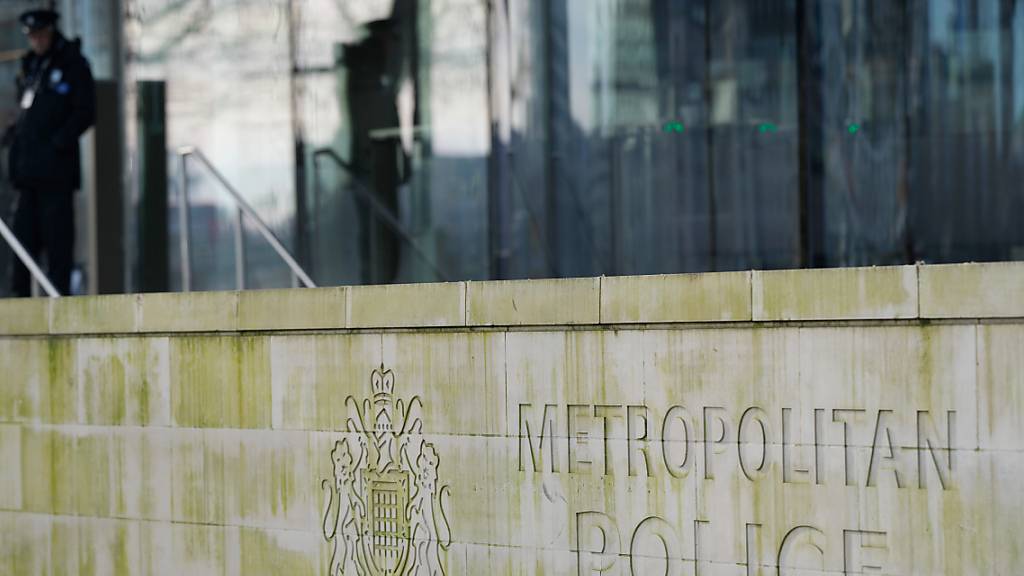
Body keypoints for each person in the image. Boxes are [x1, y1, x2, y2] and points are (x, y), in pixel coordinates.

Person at [5, 8, 95, 296]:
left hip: (56, 175)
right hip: (27, 174)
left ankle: (58, 304)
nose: (36, 40)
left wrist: (57, 144)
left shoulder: (72, 62)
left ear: (51, 31)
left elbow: (85, 111)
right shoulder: (30, 66)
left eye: (40, 34)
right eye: (31, 36)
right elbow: (25, 114)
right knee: (22, 244)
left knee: (58, 245)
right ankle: (19, 309)